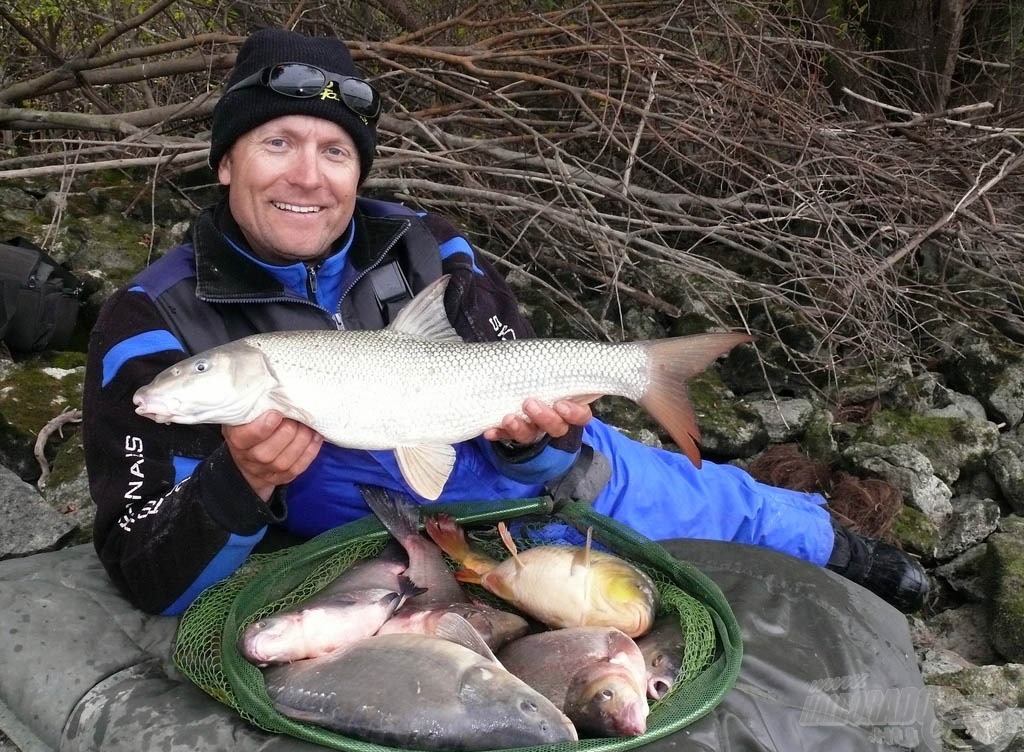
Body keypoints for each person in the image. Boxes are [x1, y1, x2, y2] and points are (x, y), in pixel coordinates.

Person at [82, 28, 930, 617]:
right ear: (225, 158)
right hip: (395, 537)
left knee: (724, 505)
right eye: (276, 144)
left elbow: (525, 392)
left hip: (529, 478)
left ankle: (850, 554)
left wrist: (537, 441)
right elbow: (146, 573)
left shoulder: (430, 249)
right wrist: (241, 482)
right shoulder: (151, 322)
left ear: (358, 168)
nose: (309, 176)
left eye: (335, 150)